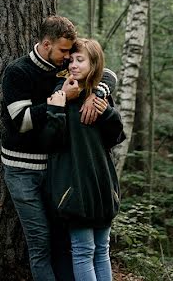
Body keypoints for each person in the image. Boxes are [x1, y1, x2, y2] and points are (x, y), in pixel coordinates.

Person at [1, 17, 116, 281]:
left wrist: (98, 94)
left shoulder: (62, 66)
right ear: (46, 44)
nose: (68, 58)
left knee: (64, 241)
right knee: (40, 242)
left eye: (70, 53)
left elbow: (104, 70)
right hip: (23, 170)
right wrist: (59, 102)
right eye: (64, 52)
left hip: (56, 170)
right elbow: (20, 122)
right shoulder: (18, 71)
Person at [45, 38, 124, 281]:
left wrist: (106, 111)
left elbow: (115, 137)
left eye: (81, 61)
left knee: (102, 251)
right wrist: (57, 109)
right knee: (83, 250)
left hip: (101, 183)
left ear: (93, 64)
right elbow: (50, 141)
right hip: (74, 183)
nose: (74, 65)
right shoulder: (62, 90)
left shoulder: (98, 95)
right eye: (72, 60)